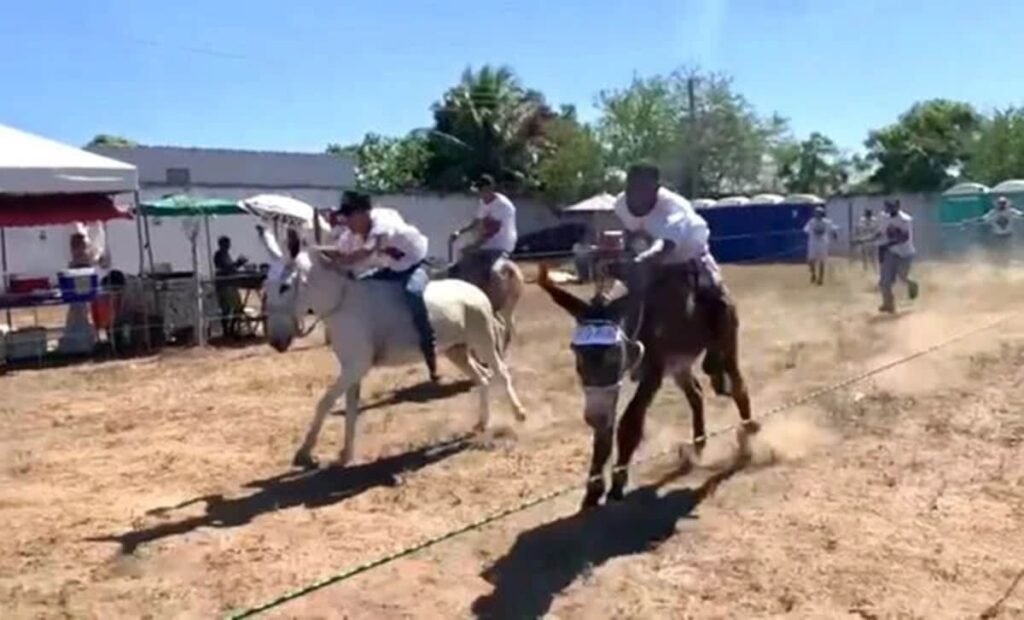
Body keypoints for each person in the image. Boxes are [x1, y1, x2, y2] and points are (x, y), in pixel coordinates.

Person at [332, 191, 438, 383]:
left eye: (349, 215)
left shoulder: (382, 224)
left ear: (362, 213)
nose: (346, 221)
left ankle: (429, 346)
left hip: (414, 265)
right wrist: (313, 251)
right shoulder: (353, 234)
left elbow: (365, 252)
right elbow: (338, 252)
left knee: (413, 294)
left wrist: (335, 260)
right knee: (359, 288)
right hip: (391, 269)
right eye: (344, 216)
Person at [449, 174, 518, 297]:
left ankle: (497, 298)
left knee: (495, 271)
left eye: (482, 190)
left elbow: (492, 231)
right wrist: (459, 232)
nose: (479, 193)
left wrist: (474, 246)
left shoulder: (502, 206)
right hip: (486, 244)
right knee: (463, 262)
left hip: (501, 245)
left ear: (490, 188)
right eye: (479, 190)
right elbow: (476, 222)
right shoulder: (483, 202)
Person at [878, 199, 919, 314]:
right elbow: (881, 233)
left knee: (903, 277)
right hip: (891, 252)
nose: (888, 209)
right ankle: (888, 305)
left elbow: (904, 238)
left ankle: (913, 285)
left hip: (905, 253)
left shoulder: (905, 219)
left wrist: (886, 244)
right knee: (884, 281)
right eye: (887, 206)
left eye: (891, 206)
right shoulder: (885, 218)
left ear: (897, 206)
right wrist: (865, 239)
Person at [213, 235, 248, 339]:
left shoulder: (226, 254)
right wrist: (237, 263)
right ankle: (226, 332)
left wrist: (237, 264)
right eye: (227, 243)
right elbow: (226, 268)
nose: (229, 245)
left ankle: (232, 330)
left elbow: (231, 267)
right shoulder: (219, 255)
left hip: (230, 284)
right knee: (227, 309)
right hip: (224, 285)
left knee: (238, 308)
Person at [803, 206, 839, 286]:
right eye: (816, 213)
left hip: (823, 243)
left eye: (819, 213)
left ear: (822, 214)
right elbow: (806, 230)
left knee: (822, 261)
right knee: (810, 260)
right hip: (813, 243)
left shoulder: (827, 222)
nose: (818, 214)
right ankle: (813, 274)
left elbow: (833, 230)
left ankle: (821, 278)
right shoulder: (811, 222)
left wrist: (835, 236)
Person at [981, 196, 1023, 264]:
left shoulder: (1011, 211)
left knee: (1008, 249)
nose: (1002, 205)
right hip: (997, 235)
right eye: (1000, 203)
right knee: (998, 249)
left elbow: (1020, 214)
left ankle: (1006, 261)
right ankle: (999, 262)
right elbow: (984, 218)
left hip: (1008, 234)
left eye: (1003, 203)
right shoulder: (993, 212)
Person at [854, 208, 882, 272]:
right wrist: (858, 238)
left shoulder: (875, 220)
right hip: (865, 241)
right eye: (867, 213)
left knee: (873, 258)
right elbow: (858, 229)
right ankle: (865, 270)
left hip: (873, 242)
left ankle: (875, 270)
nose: (867, 214)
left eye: (868, 213)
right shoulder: (862, 220)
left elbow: (878, 230)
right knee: (865, 258)